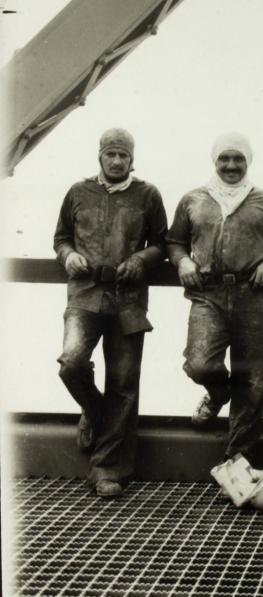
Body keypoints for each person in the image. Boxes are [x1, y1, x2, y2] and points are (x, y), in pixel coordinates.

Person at [167, 133, 263, 466]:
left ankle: (238, 458)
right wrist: (182, 261)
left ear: (248, 162)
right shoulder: (194, 199)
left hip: (254, 295)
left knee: (252, 378)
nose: (231, 165)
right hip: (207, 293)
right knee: (199, 363)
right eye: (224, 158)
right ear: (214, 161)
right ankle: (218, 393)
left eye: (238, 159)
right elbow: (175, 241)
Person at [54, 128, 168, 498]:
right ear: (99, 156)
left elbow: (163, 244)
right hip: (84, 295)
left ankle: (108, 469)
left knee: (123, 381)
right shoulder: (77, 192)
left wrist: (140, 258)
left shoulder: (147, 194)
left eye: (123, 155)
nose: (117, 161)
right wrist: (68, 255)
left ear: (132, 159)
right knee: (71, 362)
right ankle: (96, 412)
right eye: (110, 154)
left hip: (128, 299)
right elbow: (60, 238)